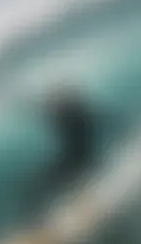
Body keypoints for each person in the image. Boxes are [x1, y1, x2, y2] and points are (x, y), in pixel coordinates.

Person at [25, 84, 97, 218]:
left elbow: (53, 111)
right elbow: (48, 109)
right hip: (75, 156)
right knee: (46, 185)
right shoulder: (72, 114)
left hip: (79, 158)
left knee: (61, 182)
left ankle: (85, 208)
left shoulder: (72, 115)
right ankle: (43, 216)